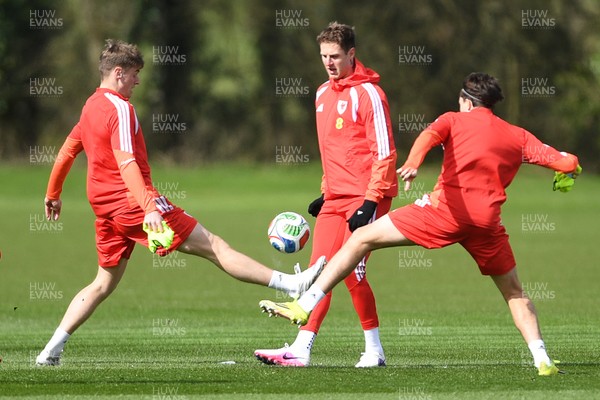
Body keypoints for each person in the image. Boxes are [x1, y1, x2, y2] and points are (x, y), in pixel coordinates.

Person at [259, 72, 581, 376]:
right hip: (486, 225)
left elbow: (428, 136)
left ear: (466, 101)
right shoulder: (517, 135)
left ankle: (305, 304)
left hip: (445, 214)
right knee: (514, 293)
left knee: (360, 239)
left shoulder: (453, 119)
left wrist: (412, 164)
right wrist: (567, 173)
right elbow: (567, 161)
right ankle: (542, 359)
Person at [35, 39, 325, 366]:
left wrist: (53, 193)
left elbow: (66, 151)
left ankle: (50, 351)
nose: (138, 81)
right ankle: (291, 284)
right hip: (133, 204)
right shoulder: (119, 108)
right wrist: (148, 208)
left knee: (102, 283)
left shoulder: (90, 105)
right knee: (214, 245)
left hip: (105, 210)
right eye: (134, 74)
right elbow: (127, 162)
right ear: (118, 73)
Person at [254, 22, 398, 368]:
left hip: (367, 197)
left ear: (351, 53)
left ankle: (374, 350)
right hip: (335, 198)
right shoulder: (321, 93)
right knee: (318, 274)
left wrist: (370, 201)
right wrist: (325, 190)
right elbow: (331, 149)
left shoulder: (370, 95)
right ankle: (301, 349)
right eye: (323, 56)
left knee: (352, 273)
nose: (329, 63)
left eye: (335, 56)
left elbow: (385, 153)